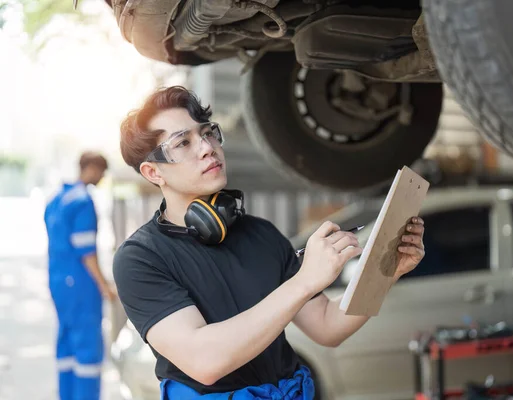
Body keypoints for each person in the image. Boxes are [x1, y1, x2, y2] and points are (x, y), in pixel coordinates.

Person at [112, 86, 426, 400]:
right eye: (183, 142)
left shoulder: (260, 234)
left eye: (207, 133)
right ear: (153, 172)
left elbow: (328, 326)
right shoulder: (141, 258)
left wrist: (387, 272)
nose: (207, 148)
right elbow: (205, 361)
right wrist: (304, 280)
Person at [43, 151, 117, 400]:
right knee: (87, 347)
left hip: (58, 281)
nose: (102, 177)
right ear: (92, 168)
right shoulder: (83, 201)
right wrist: (105, 286)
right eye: (102, 171)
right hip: (80, 284)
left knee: (66, 342)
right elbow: (87, 253)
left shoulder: (58, 198)